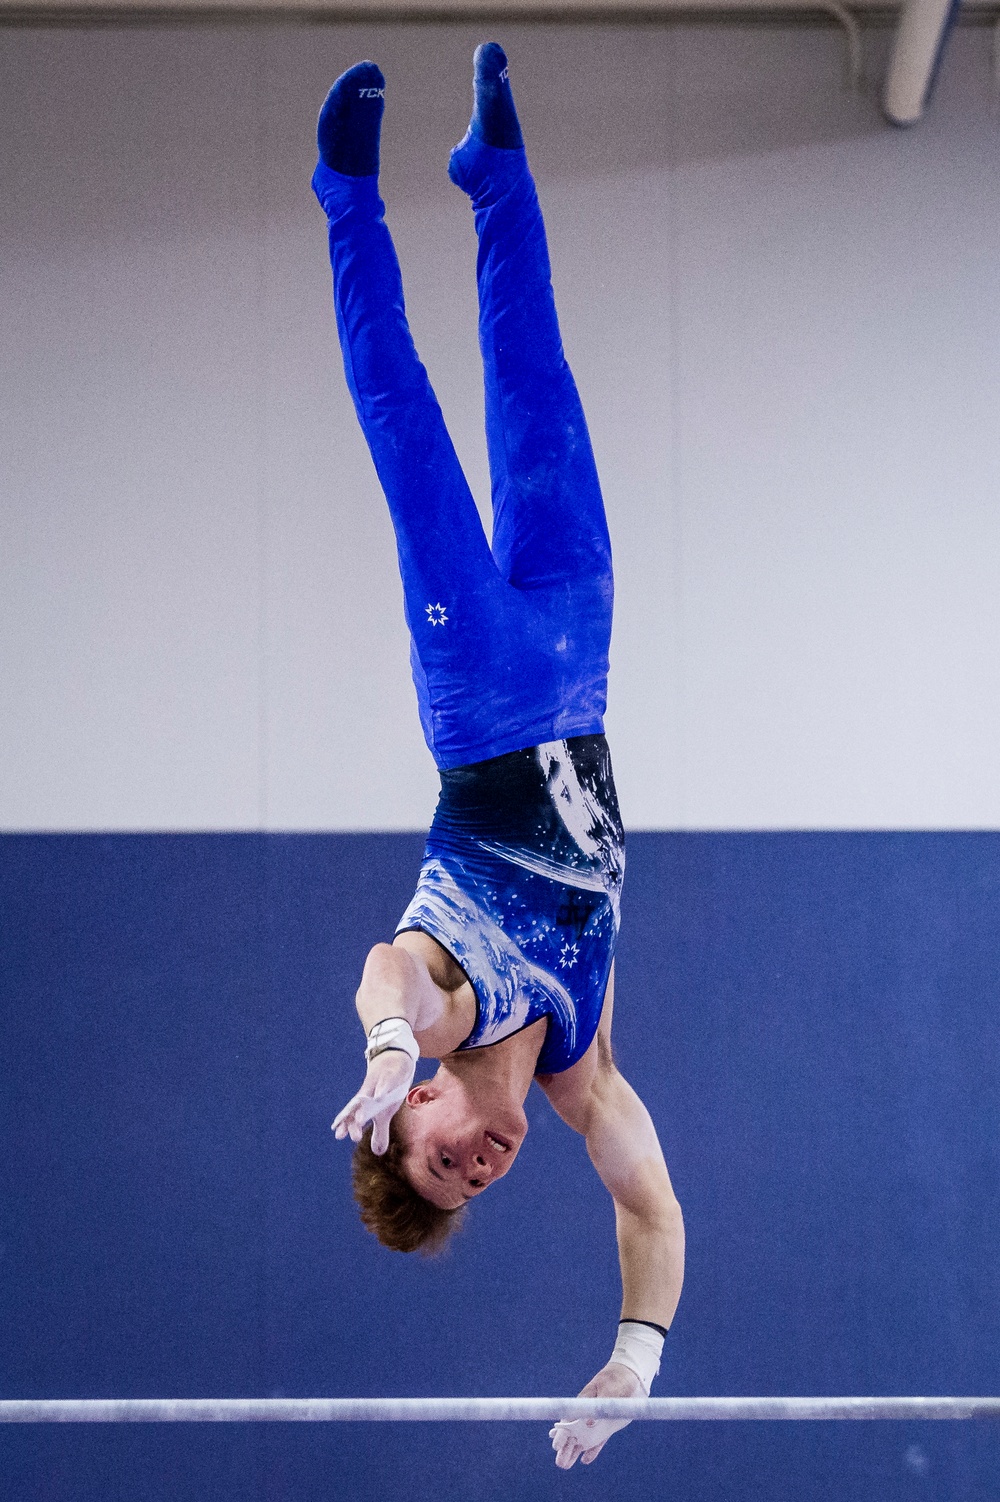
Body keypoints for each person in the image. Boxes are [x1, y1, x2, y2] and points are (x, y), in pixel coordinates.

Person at [312, 45, 684, 1469]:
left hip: (479, 690)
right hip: (580, 659)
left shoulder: (441, 1020)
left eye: (441, 1150)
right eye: (475, 1181)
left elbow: (388, 969)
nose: (479, 1160)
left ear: (415, 1102)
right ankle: (495, 174)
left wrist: (394, 1034)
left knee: (408, 423)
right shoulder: (583, 1068)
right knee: (535, 371)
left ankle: (346, 198)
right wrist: (633, 1358)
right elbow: (649, 1210)